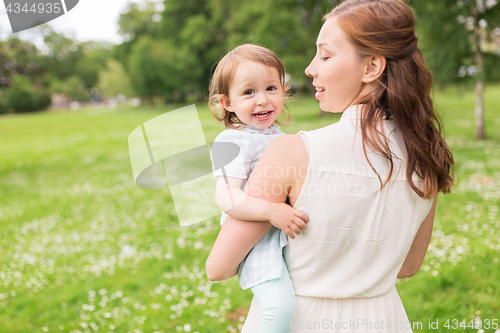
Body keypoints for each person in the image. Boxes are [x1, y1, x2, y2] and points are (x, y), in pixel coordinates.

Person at [205, 1, 455, 332]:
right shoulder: (426, 154)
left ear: (372, 67)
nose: (309, 69)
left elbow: (219, 267)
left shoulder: (291, 152)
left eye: (324, 55)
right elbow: (408, 265)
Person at [207, 44, 309, 333]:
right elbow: (225, 195)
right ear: (228, 103)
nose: (263, 100)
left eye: (271, 88)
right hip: (256, 244)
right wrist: (271, 210)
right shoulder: (233, 140)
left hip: (283, 238)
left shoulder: (279, 137)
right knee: (280, 307)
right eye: (249, 92)